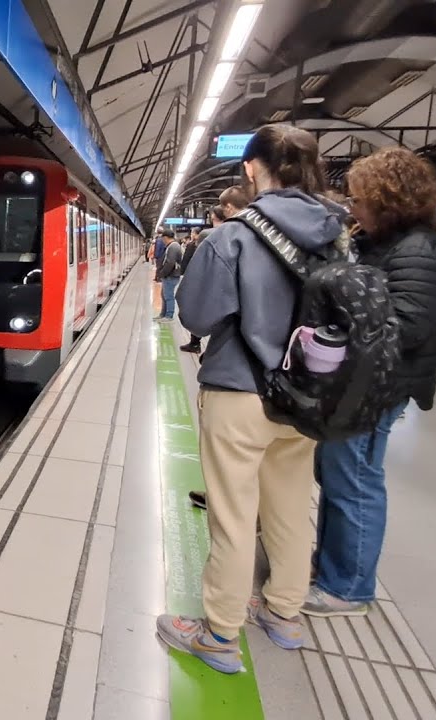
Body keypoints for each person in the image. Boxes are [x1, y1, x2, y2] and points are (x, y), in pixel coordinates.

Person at [157, 124, 342, 673]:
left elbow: (197, 315)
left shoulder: (233, 235)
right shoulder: (336, 235)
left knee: (234, 516)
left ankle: (218, 633)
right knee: (289, 506)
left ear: (250, 168)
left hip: (241, 390)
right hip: (308, 394)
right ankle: (284, 615)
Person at [304, 147, 436, 617]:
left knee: (356, 482)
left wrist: (343, 310)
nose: (353, 207)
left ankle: (348, 588)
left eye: (360, 199)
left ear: (389, 200)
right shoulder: (385, 245)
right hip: (363, 384)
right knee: (336, 475)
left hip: (379, 388)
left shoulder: (415, 251)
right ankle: (331, 567)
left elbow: (410, 324)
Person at [179, 187, 249, 355]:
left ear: (229, 208)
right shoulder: (269, 231)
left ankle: (196, 344)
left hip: (228, 338)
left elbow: (193, 309)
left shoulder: (212, 236)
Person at [155, 229, 183, 320]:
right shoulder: (172, 246)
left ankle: (169, 316)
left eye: (163, 239)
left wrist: (162, 273)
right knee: (164, 295)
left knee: (168, 296)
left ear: (166, 237)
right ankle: (163, 314)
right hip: (169, 275)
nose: (162, 241)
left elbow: (170, 262)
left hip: (171, 275)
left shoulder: (173, 247)